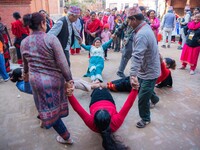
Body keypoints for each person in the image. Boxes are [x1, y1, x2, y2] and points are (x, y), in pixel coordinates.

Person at [21, 12, 74, 144]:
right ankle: (66, 137)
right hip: (55, 81)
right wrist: (69, 80)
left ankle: (47, 120)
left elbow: (25, 65)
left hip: (37, 82)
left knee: (45, 106)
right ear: (43, 24)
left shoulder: (24, 42)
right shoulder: (51, 39)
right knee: (53, 108)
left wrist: (26, 75)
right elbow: (63, 63)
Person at [67, 87, 138, 150]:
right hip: (104, 99)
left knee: (97, 87)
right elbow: (128, 104)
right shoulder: (116, 121)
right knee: (102, 87)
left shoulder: (91, 123)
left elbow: (78, 108)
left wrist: (70, 95)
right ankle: (98, 86)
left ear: (94, 119)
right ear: (110, 118)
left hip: (97, 98)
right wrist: (135, 89)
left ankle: (96, 86)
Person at [127, 6, 161, 128]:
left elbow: (137, 56)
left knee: (142, 97)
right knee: (146, 89)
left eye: (129, 20)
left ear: (134, 19)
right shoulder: (145, 27)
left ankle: (145, 118)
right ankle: (155, 99)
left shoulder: (142, 34)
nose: (128, 23)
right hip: (146, 67)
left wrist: (132, 75)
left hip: (149, 71)